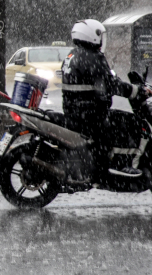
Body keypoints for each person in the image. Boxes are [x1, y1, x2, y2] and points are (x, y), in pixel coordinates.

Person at [61, 19, 151, 180]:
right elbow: (111, 84)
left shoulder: (72, 55)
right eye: (100, 35)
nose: (102, 40)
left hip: (75, 111)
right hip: (91, 114)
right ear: (91, 35)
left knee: (116, 123)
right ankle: (125, 165)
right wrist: (138, 91)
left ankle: (104, 163)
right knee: (134, 123)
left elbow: (100, 82)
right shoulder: (94, 57)